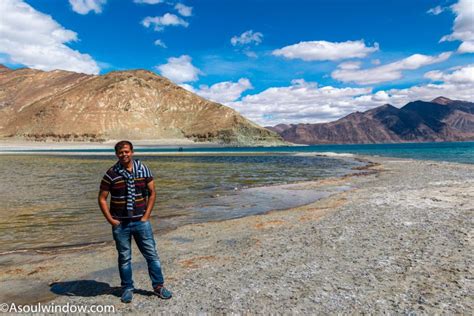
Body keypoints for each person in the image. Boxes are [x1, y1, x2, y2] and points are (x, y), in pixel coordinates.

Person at [98, 140, 172, 303]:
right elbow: (102, 198)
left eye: (126, 151)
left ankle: (158, 286)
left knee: (151, 255)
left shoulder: (144, 170)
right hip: (120, 224)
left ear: (132, 152)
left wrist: (146, 216)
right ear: (116, 154)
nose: (124, 154)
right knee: (124, 257)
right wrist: (111, 220)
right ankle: (127, 288)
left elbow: (152, 193)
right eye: (120, 152)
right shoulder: (111, 173)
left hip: (141, 221)